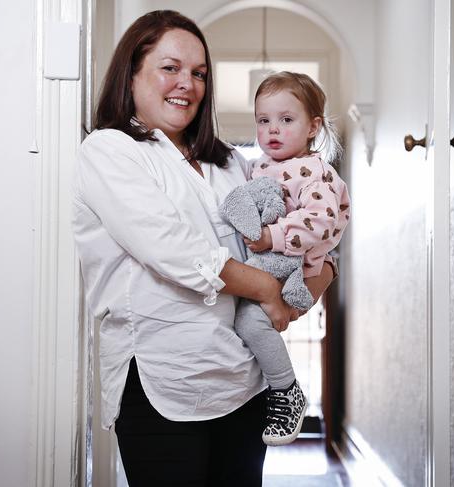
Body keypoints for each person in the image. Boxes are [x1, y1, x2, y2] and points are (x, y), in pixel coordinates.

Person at [72, 11, 335, 486]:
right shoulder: (111, 151)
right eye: (170, 68)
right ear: (131, 73)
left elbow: (301, 224)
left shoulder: (231, 162)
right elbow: (173, 250)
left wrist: (320, 276)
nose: (187, 84)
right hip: (166, 382)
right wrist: (267, 289)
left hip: (244, 384)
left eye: (198, 73)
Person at [226, 71, 351, 447]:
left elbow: (319, 222)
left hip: (295, 269)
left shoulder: (317, 172)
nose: (272, 130)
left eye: (286, 120)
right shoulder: (257, 165)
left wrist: (270, 237)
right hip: (262, 266)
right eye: (263, 121)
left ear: (313, 127)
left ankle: (287, 391)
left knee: (249, 322)